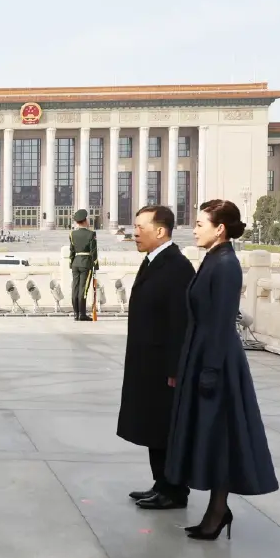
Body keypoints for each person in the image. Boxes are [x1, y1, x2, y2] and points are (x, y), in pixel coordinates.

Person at [165, 199, 279, 540]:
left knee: (221, 436)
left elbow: (221, 321)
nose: (195, 229)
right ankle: (217, 509)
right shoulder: (214, 259)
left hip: (217, 360)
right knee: (211, 436)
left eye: (200, 224)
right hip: (203, 354)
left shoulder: (227, 264)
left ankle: (217, 511)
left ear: (220, 228)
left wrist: (211, 369)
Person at [116, 205, 196, 510]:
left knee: (166, 428)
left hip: (165, 367)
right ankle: (160, 483)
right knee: (153, 426)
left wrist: (175, 366)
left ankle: (175, 490)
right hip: (148, 363)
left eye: (140, 227)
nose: (134, 233)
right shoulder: (154, 262)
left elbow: (180, 322)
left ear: (160, 231)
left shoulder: (175, 267)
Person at [68, 208, 98, 321]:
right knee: (83, 289)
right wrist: (95, 265)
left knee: (75, 288)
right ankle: (82, 314)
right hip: (86, 263)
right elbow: (93, 251)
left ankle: (76, 313)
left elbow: (71, 251)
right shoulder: (91, 234)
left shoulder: (72, 234)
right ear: (85, 221)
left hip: (75, 262)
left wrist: (71, 263)